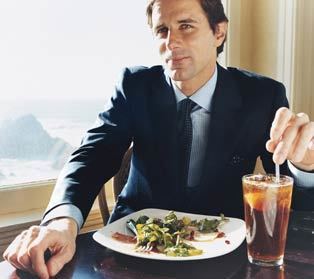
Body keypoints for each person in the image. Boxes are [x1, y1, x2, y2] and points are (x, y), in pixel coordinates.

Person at [3, 0, 314, 278]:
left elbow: (290, 195)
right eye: (161, 30)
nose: (171, 42)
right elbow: (91, 156)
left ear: (219, 32)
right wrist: (61, 222)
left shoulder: (261, 95)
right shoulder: (134, 86)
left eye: (186, 27)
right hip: (132, 250)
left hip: (225, 256)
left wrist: (306, 166)